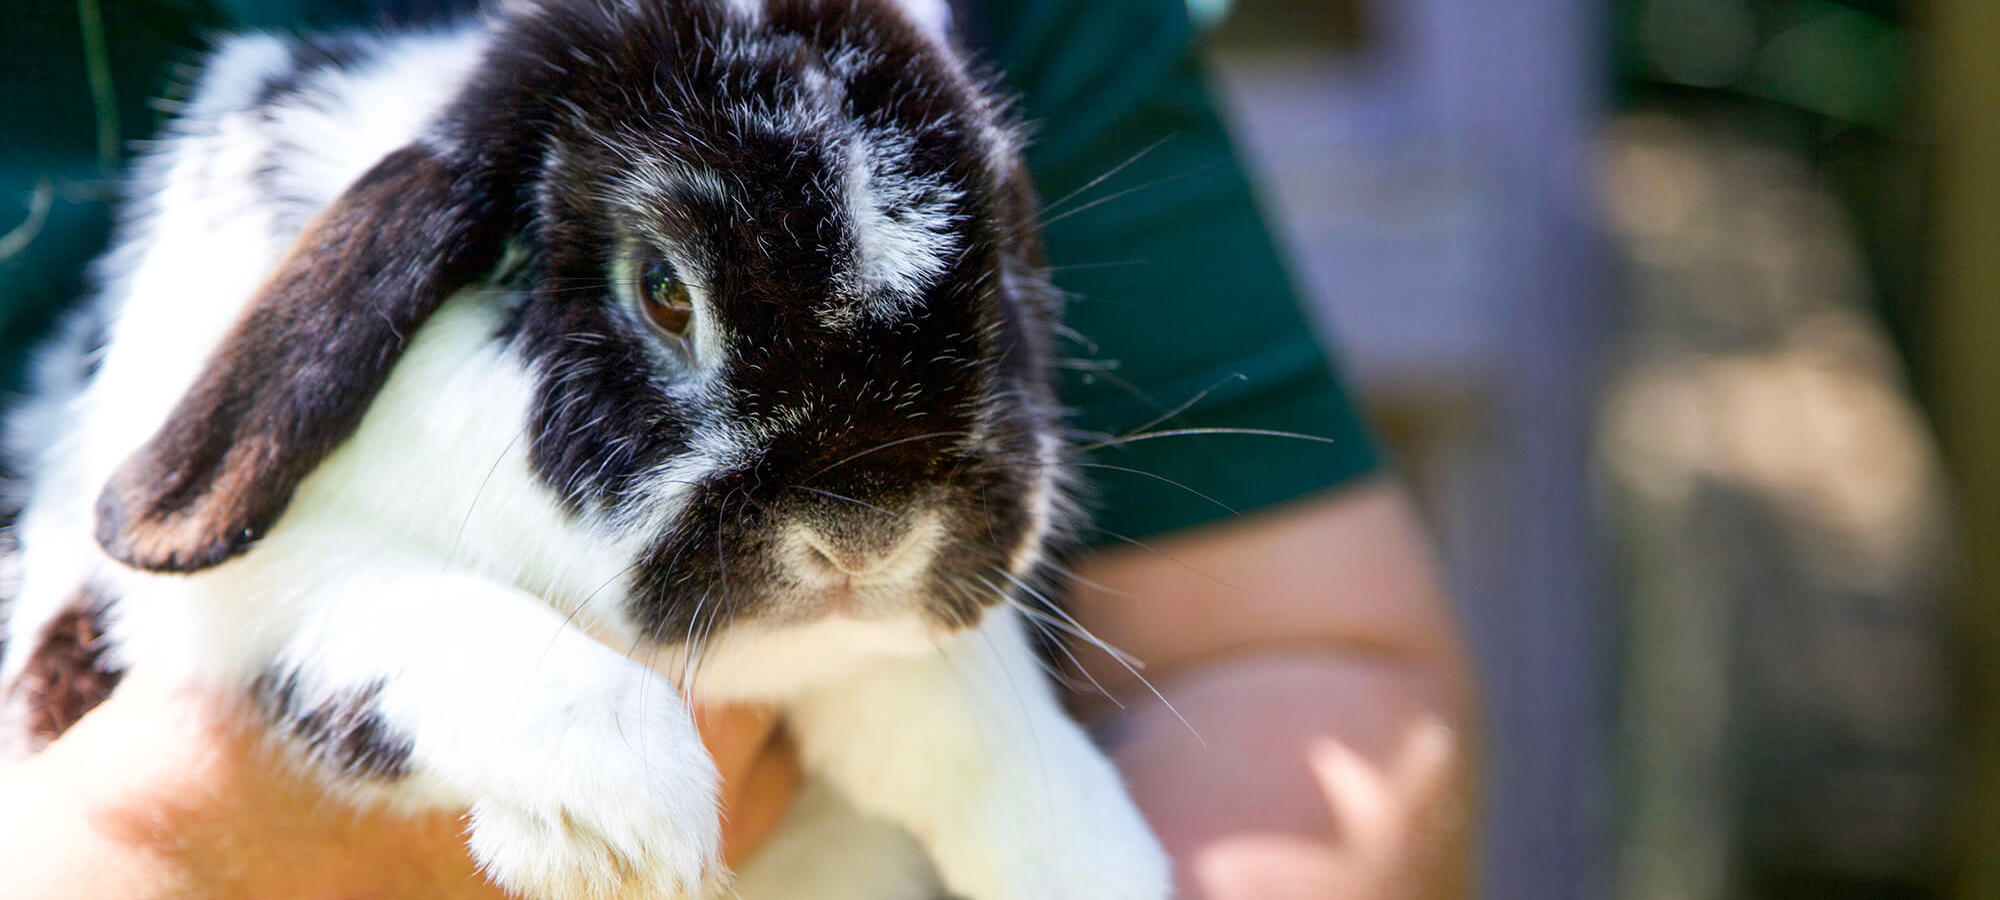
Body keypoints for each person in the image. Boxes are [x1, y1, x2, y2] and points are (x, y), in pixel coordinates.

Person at [0, 0, 1478, 897]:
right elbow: (204, 592)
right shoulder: (287, 177)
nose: (849, 527)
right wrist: (158, 853)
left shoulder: (985, 35)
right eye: (668, 297)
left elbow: (1310, 664)